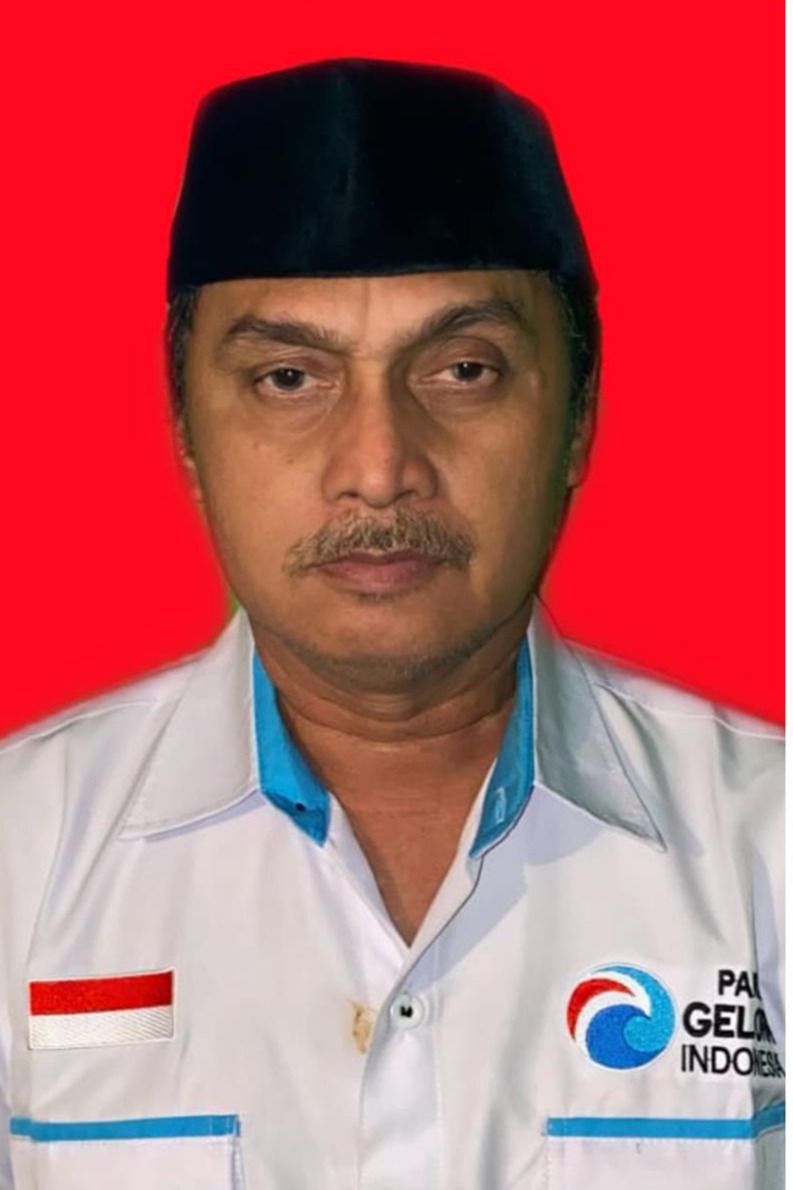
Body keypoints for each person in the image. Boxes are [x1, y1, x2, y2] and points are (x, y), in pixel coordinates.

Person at [0, 58, 783, 1190]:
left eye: (462, 369)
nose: (377, 467)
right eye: (288, 378)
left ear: (577, 417)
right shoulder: (22, 860)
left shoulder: (766, 849)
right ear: (185, 430)